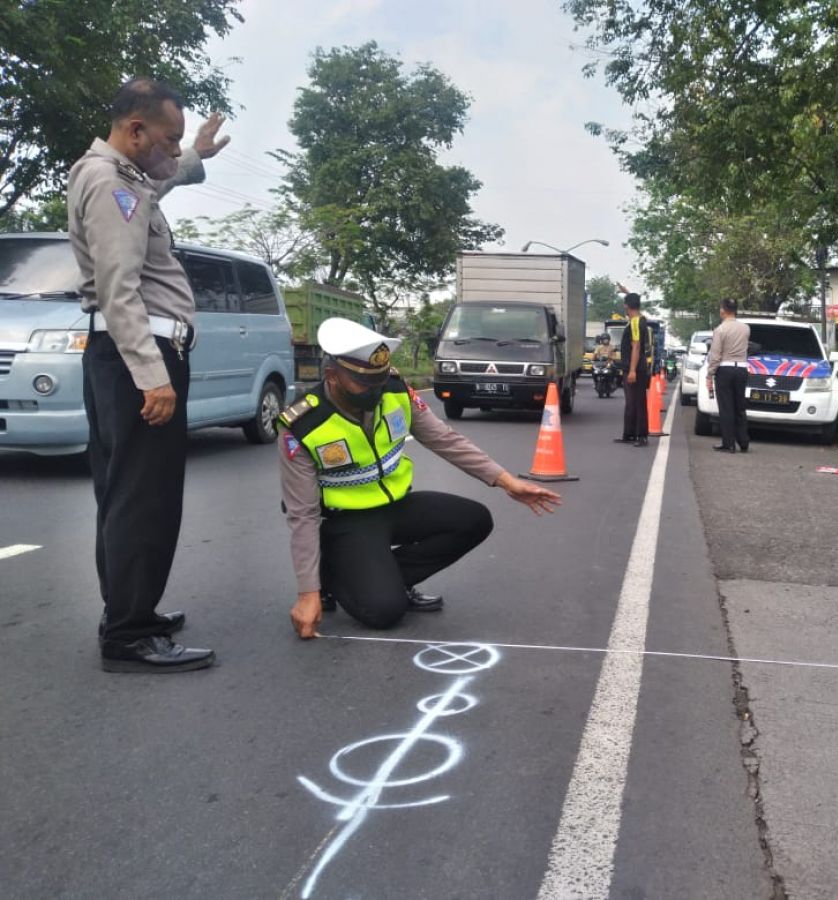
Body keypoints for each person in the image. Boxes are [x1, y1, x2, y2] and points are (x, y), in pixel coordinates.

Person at [68, 77, 230, 673]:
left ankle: (128, 611)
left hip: (121, 356)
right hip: (139, 354)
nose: (173, 149)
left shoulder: (121, 177)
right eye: (169, 139)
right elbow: (119, 289)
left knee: (125, 494)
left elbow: (153, 184)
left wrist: (194, 158)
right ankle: (129, 635)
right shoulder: (113, 184)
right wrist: (151, 374)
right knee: (145, 499)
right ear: (135, 130)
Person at [280, 318, 562, 638]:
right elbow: (302, 513)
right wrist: (308, 593)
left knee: (474, 520)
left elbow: (444, 439)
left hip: (395, 506)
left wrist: (506, 481)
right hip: (346, 521)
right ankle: (331, 575)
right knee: (384, 611)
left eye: (379, 379)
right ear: (332, 375)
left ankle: (380, 577)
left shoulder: (394, 390)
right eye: (364, 382)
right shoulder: (303, 424)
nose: (375, 390)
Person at [706, 297, 751, 453]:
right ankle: (743, 441)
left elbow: (716, 355)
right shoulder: (746, 328)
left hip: (725, 370)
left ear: (723, 310)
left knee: (726, 407)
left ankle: (729, 443)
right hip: (742, 369)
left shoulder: (720, 330)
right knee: (740, 406)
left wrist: (709, 374)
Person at [614, 293, 651, 447]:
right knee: (630, 402)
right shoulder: (639, 319)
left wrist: (632, 370)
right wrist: (626, 292)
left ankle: (641, 435)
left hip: (636, 368)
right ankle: (629, 433)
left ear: (627, 306)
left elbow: (636, 346)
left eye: (625, 304)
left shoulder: (636, 322)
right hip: (633, 367)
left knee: (638, 402)